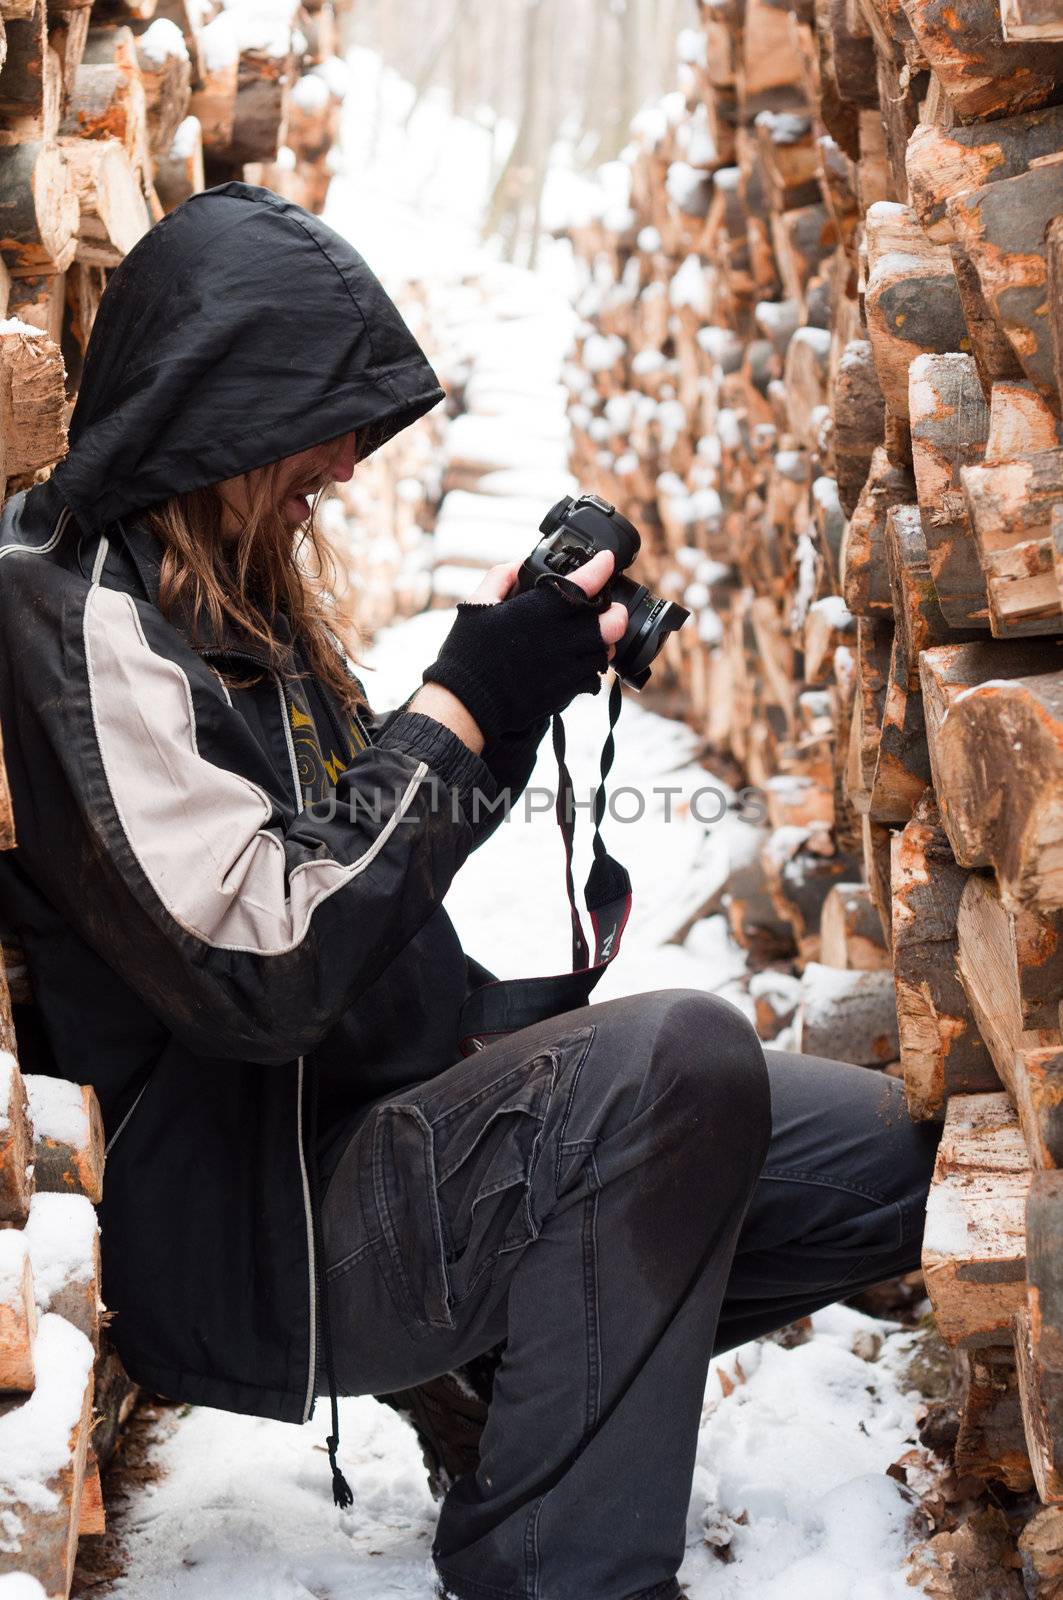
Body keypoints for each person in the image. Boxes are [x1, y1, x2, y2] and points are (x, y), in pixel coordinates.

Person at [0, 183, 940, 1600]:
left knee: (883, 1158)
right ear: (220, 416)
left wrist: (505, 681)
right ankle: (557, 1569)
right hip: (269, 1217)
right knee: (679, 1060)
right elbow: (265, 966)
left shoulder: (230, 597)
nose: (345, 471)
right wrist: (459, 704)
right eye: (317, 435)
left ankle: (518, 1377)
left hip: (377, 1127)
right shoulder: (71, 616)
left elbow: (354, 854)